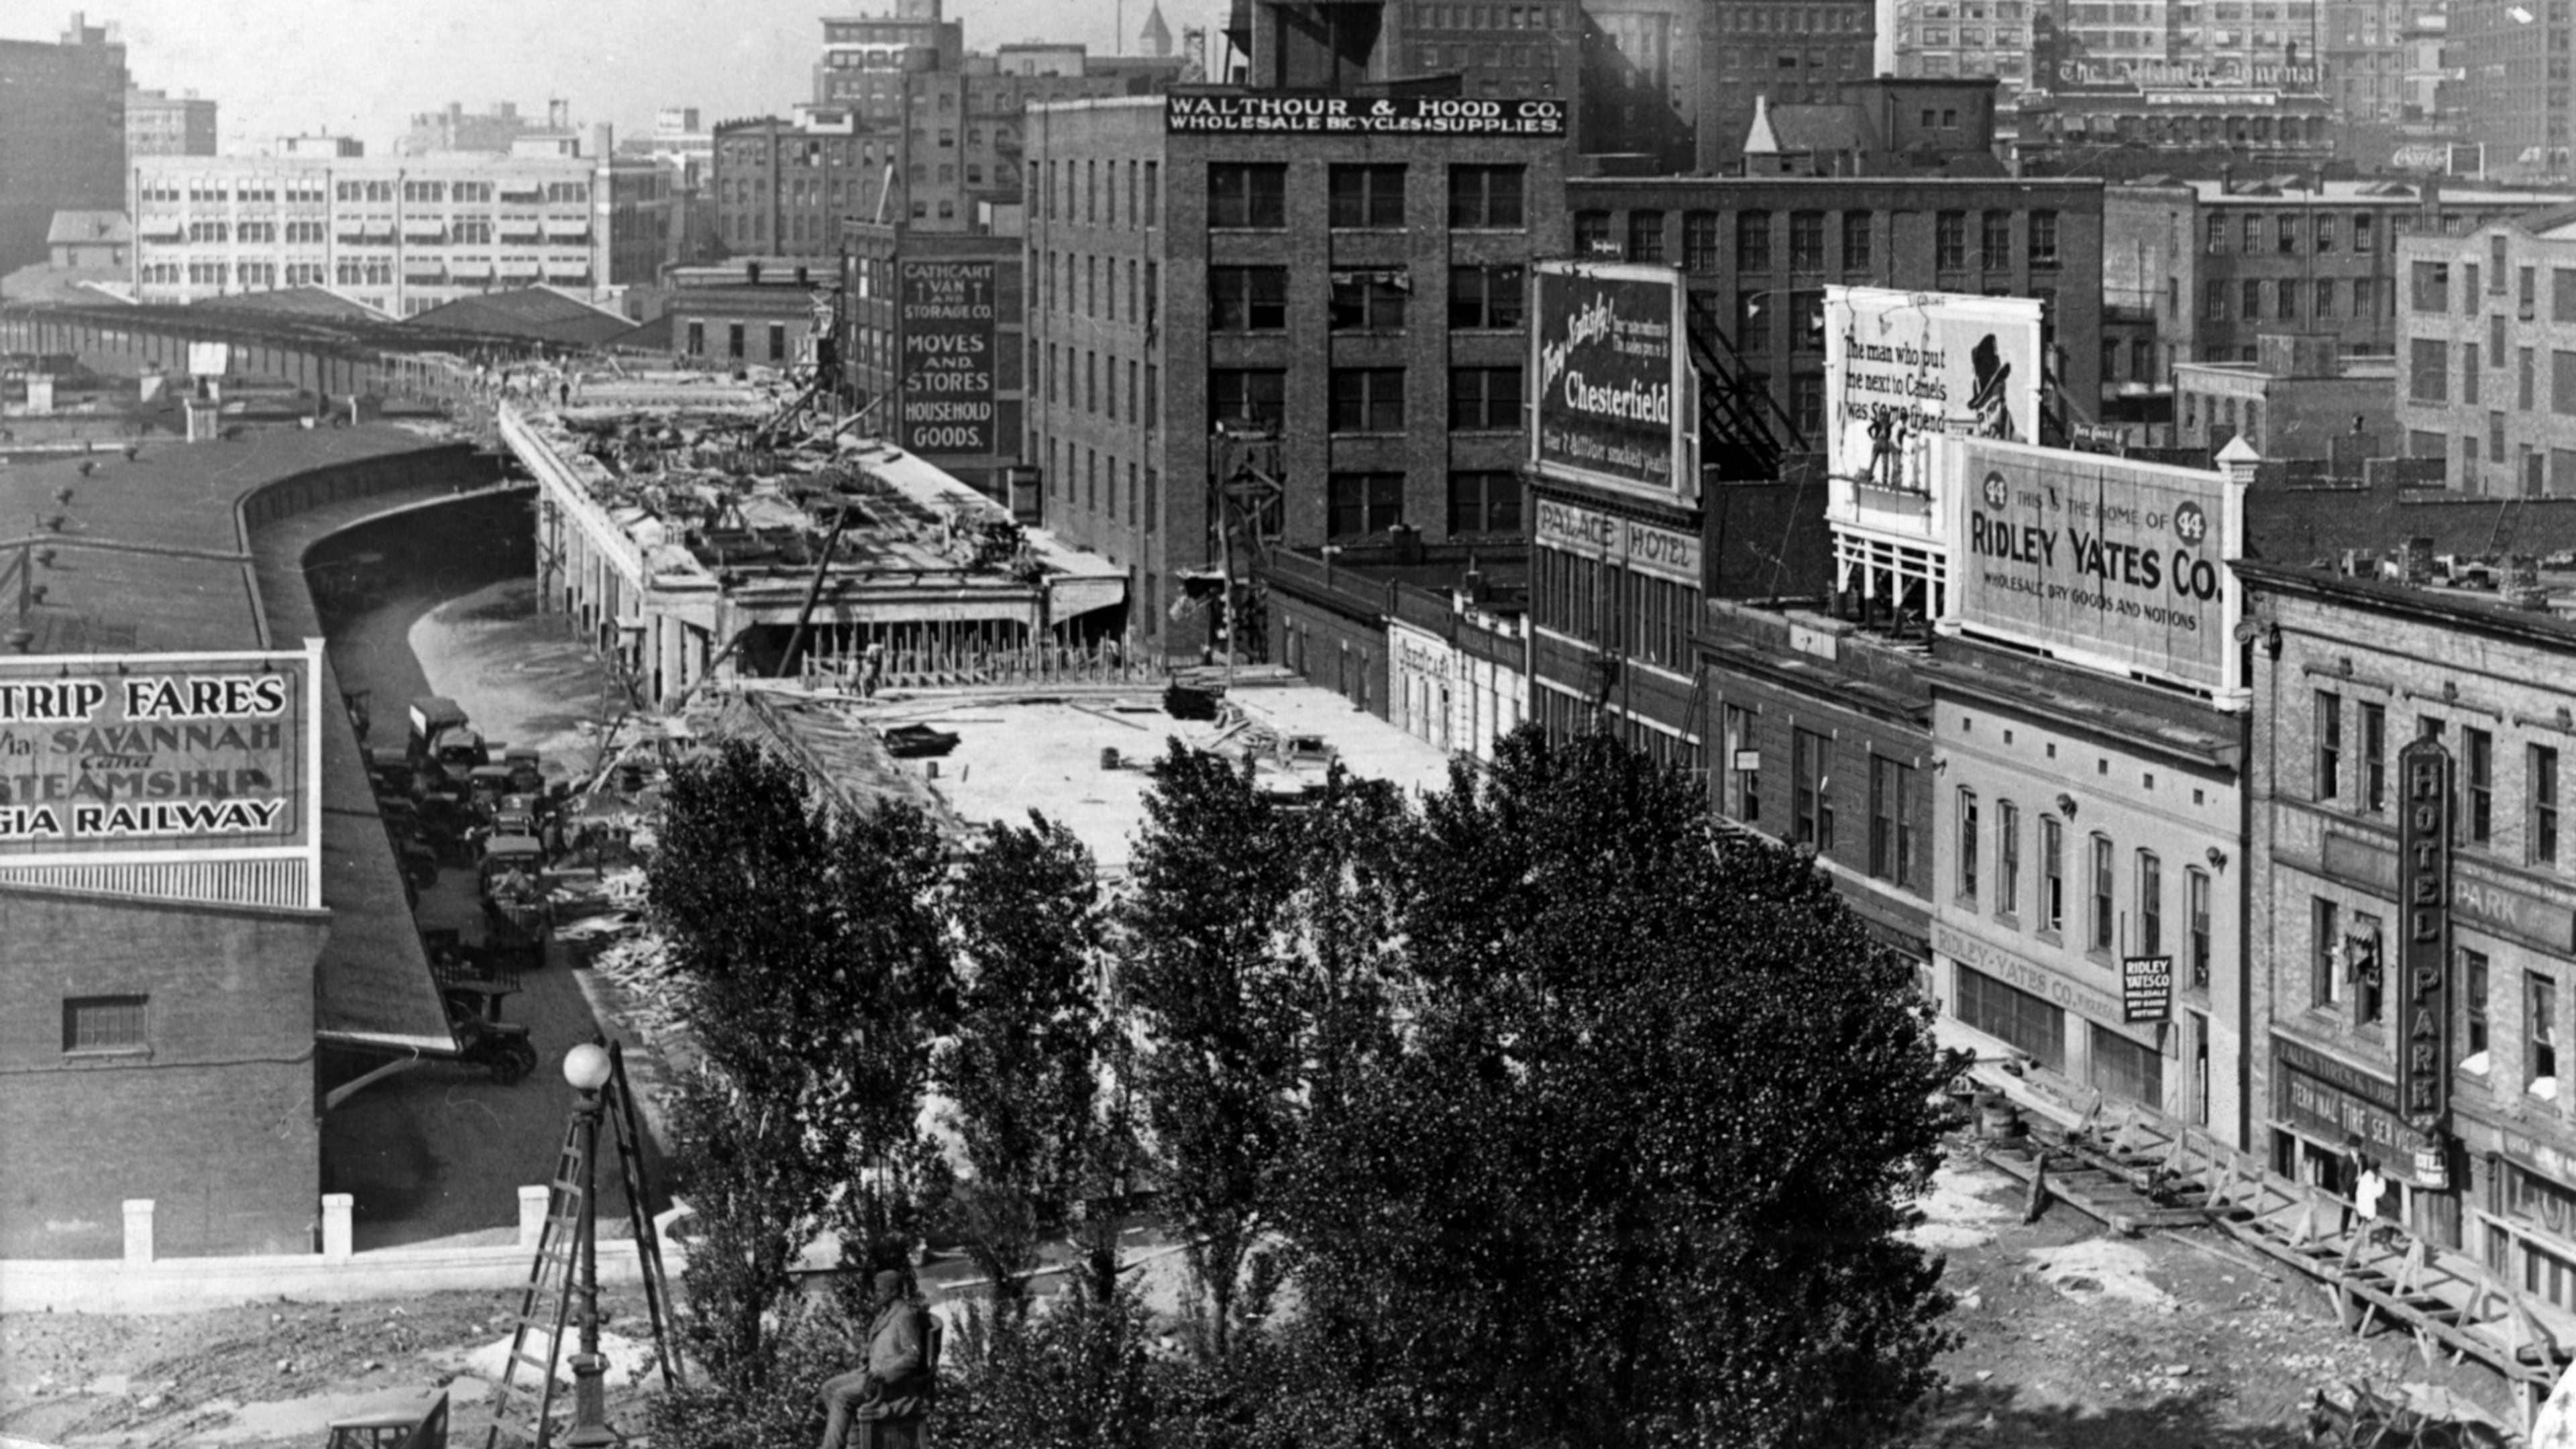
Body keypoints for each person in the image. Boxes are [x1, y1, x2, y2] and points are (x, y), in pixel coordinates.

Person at [818, 1269, 934, 1449]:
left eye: (880, 1291)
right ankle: (854, 1442)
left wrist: (884, 1375)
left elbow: (913, 1357)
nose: (875, 1295)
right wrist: (865, 1350)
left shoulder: (905, 1316)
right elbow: (884, 1348)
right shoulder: (885, 1314)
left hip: (891, 1386)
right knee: (828, 1388)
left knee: (842, 1396)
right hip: (871, 1374)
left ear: (894, 1291)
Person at [2354, 1155, 2390, 1247]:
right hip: (2368, 1208)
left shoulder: (2364, 1176)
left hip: (2360, 1206)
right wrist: (2381, 1179)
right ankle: (2387, 1238)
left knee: (2364, 1226)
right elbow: (2379, 1193)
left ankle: (2363, 1243)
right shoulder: (2371, 1179)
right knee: (2390, 1210)